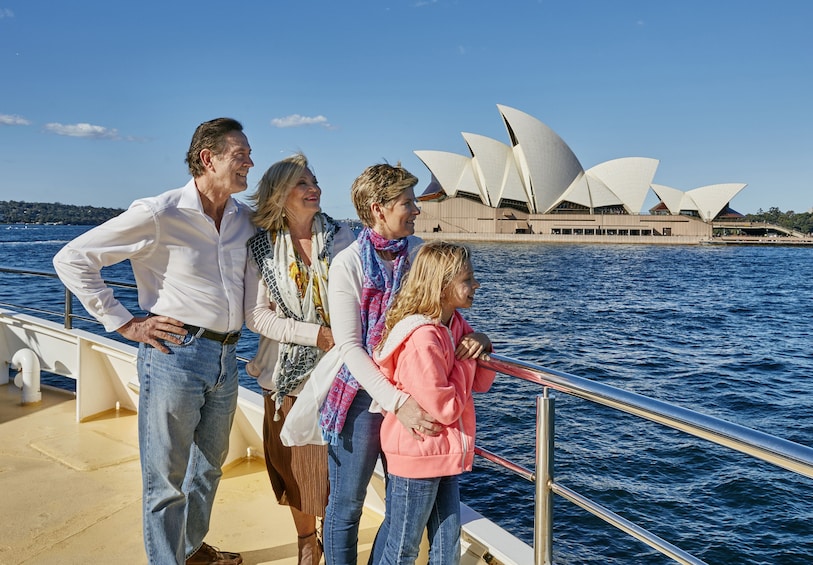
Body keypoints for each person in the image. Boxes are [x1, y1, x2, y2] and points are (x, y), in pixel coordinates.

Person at [53, 117, 254, 565]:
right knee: (165, 478)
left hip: (227, 356)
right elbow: (72, 259)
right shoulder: (159, 213)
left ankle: (189, 549)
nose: (250, 164)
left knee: (208, 469)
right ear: (209, 158)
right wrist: (125, 324)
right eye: (240, 155)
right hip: (174, 356)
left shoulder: (244, 218)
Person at [318, 163, 491, 564]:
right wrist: (397, 402)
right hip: (364, 398)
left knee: (403, 511)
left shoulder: (420, 255)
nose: (417, 210)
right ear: (378, 208)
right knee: (347, 504)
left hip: (413, 392)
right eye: (408, 203)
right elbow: (349, 346)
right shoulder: (350, 263)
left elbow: (441, 311)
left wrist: (476, 339)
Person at [243, 153, 354, 565]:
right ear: (280, 194)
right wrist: (315, 335)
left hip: (341, 371)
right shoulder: (263, 248)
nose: (315, 189)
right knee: (296, 467)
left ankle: (335, 536)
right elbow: (256, 316)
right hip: (286, 376)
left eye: (315, 181)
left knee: (335, 465)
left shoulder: (342, 237)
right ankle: (307, 540)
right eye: (303, 184)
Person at [373, 241, 495, 565]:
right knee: (402, 550)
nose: (476, 285)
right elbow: (446, 408)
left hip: (443, 453)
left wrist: (482, 341)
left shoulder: (453, 324)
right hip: (418, 455)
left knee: (447, 546)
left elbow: (481, 383)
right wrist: (469, 360)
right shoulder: (423, 339)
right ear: (442, 286)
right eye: (467, 279)